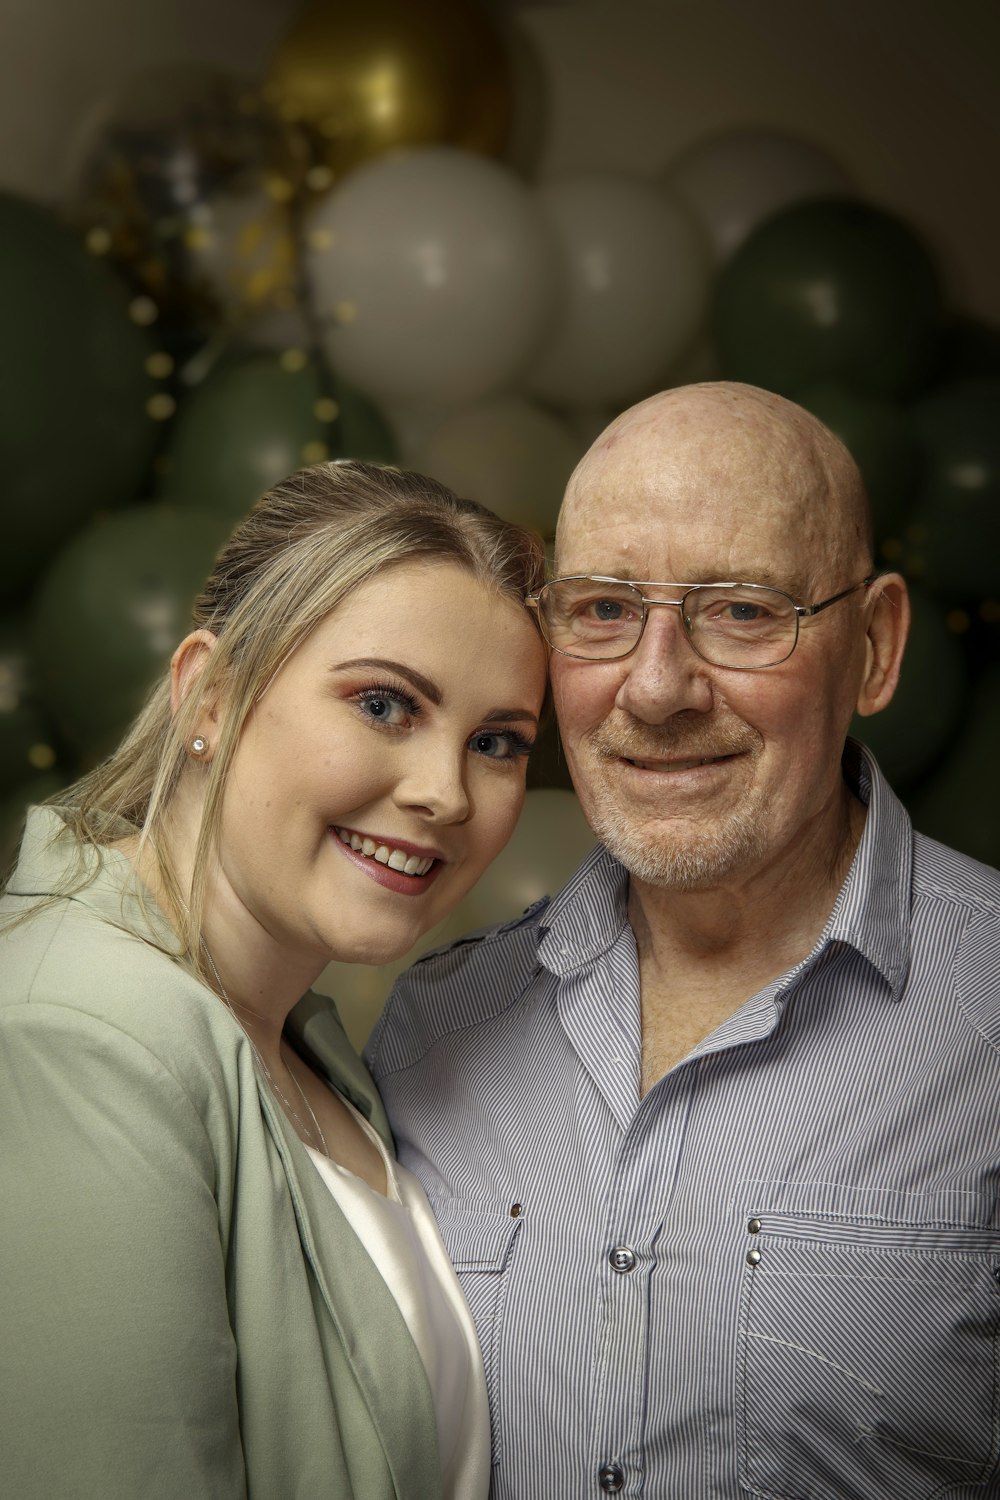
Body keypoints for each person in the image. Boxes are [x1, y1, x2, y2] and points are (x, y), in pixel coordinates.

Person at [368, 382, 1000, 1500]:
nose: (655, 689)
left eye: (744, 611)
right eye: (604, 610)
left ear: (875, 646)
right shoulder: (432, 1034)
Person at [0, 459, 547, 1499]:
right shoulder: (85, 1034)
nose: (444, 793)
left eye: (496, 742)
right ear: (208, 693)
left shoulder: (300, 1042)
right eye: (384, 704)